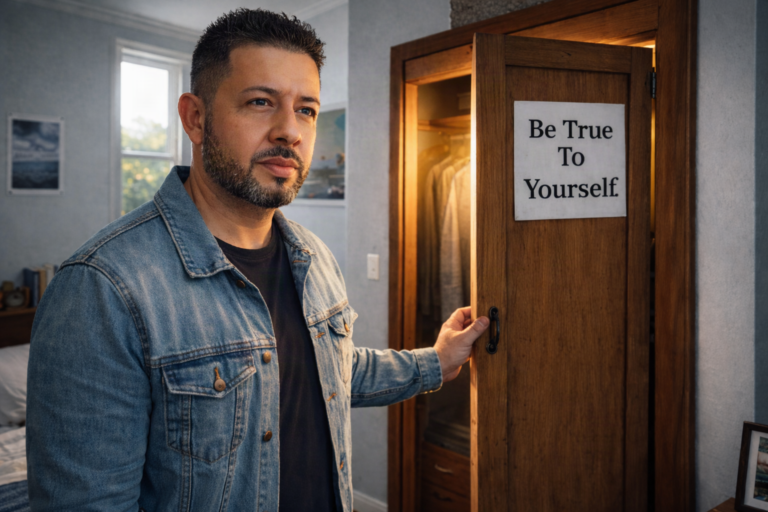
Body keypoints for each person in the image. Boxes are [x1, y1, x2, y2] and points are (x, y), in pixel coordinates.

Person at [25, 9, 489, 512]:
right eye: (261, 102)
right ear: (195, 118)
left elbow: (332, 372)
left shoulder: (314, 257)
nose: (290, 131)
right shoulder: (102, 287)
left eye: (306, 110)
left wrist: (435, 362)